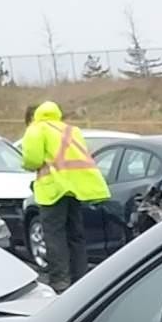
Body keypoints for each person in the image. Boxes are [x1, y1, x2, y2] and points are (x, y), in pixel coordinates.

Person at [16, 100, 110, 290]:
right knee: (75, 234)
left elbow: (31, 160)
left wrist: (27, 165)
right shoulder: (70, 130)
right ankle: (81, 279)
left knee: (54, 235)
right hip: (75, 188)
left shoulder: (36, 129)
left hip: (53, 189)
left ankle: (60, 281)